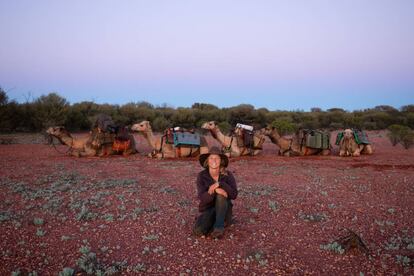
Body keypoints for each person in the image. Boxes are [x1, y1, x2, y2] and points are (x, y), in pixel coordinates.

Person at [193, 146, 238, 239]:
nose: (214, 160)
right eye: (211, 158)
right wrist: (215, 190)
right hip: (209, 209)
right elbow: (203, 198)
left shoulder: (228, 175)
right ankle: (211, 223)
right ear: (207, 161)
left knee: (221, 197)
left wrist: (220, 184)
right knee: (199, 231)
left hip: (224, 210)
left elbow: (234, 195)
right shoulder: (202, 176)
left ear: (221, 160)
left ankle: (219, 228)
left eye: (217, 158)